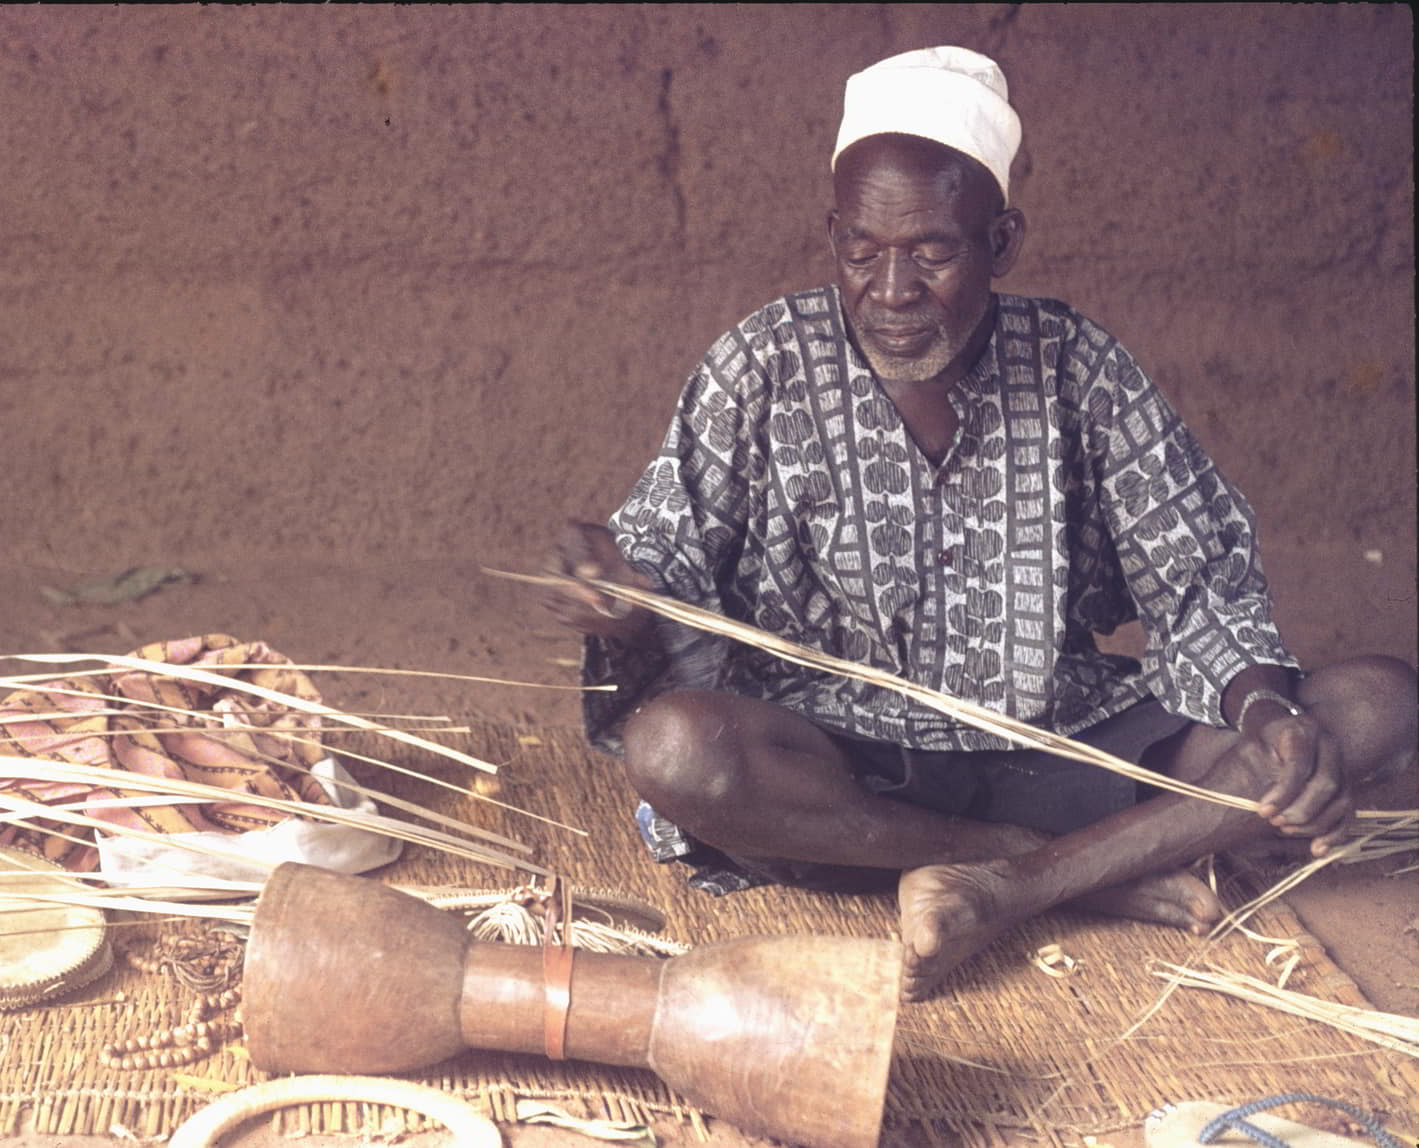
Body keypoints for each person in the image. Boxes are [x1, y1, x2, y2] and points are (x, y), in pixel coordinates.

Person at [537, 46, 1417, 1002]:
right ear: (833, 235)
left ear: (1000, 242)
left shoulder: (1076, 367)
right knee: (675, 751)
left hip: (1061, 738)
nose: (891, 289)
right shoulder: (762, 364)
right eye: (861, 251)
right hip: (843, 765)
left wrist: (1263, 708)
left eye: (933, 250)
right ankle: (1046, 865)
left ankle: (1014, 886)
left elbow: (1196, 577)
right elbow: (659, 561)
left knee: (1372, 704)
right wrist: (614, 591)